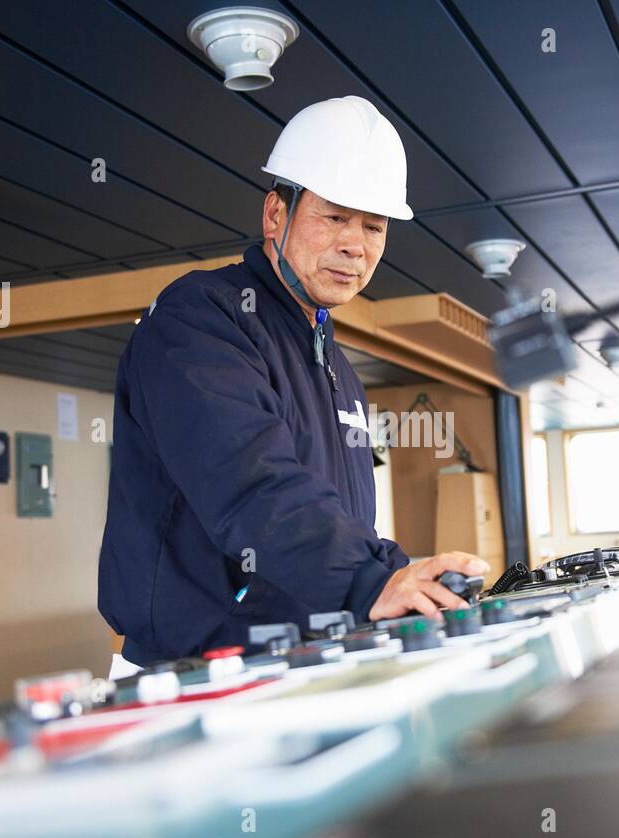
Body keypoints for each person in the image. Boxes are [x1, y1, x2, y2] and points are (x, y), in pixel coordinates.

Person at [98, 96, 488, 676]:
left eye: (374, 226)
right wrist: (368, 580)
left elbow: (337, 515)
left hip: (311, 656)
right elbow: (250, 482)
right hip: (196, 670)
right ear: (276, 215)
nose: (356, 245)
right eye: (334, 217)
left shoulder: (339, 368)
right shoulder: (199, 319)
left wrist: (402, 577)